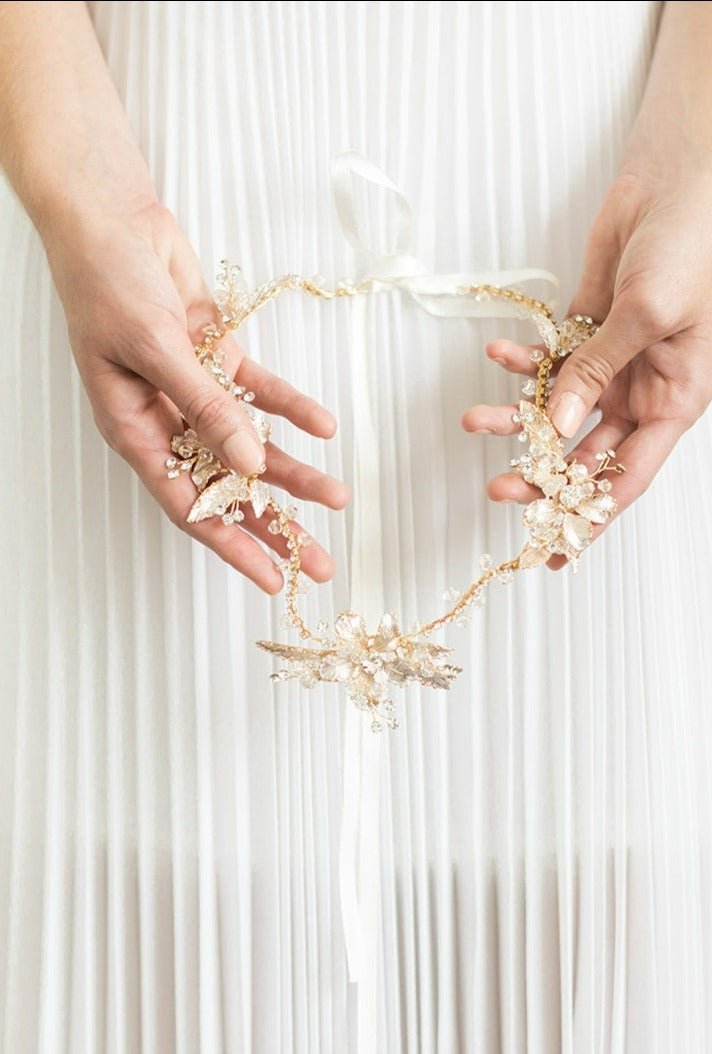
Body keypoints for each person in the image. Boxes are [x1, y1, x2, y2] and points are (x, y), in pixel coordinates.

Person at [1, 2, 711, 1051]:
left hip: (597, 203)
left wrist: (696, 157)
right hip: (142, 186)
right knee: (160, 916)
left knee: (573, 904)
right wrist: (75, 175)